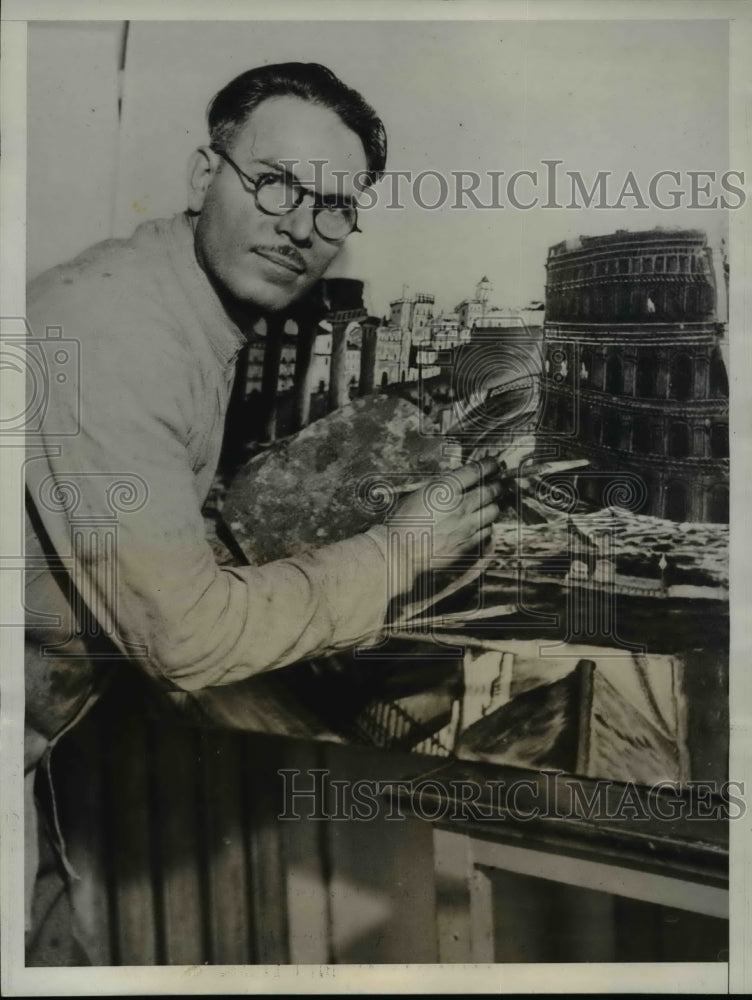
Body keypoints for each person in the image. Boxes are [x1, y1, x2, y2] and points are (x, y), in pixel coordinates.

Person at [23, 62, 502, 962]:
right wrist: (398, 554)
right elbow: (191, 638)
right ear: (207, 176)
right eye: (276, 182)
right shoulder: (115, 332)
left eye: (333, 204)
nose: (301, 227)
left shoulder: (179, 305)